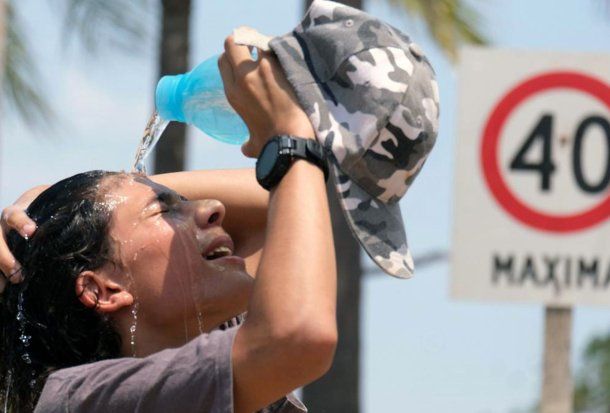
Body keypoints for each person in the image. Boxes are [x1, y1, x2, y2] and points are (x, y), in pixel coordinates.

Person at [0, 35, 336, 413]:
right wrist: (289, 136)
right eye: (164, 211)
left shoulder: (207, 344)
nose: (214, 208)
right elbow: (299, 337)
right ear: (102, 290)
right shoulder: (83, 400)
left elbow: (283, 200)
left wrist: (73, 193)